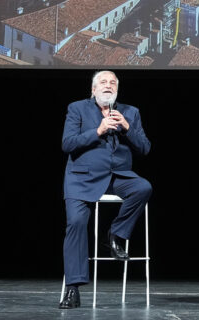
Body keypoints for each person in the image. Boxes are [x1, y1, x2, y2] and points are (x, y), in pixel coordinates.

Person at [59, 71, 152, 309]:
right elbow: (67, 144)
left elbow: (144, 148)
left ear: (117, 90)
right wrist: (98, 131)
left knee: (143, 187)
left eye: (113, 83)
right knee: (77, 222)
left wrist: (127, 127)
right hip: (81, 178)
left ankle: (115, 234)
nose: (108, 86)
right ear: (93, 89)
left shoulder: (130, 112)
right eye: (103, 82)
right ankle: (73, 288)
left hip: (117, 177)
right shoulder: (77, 108)